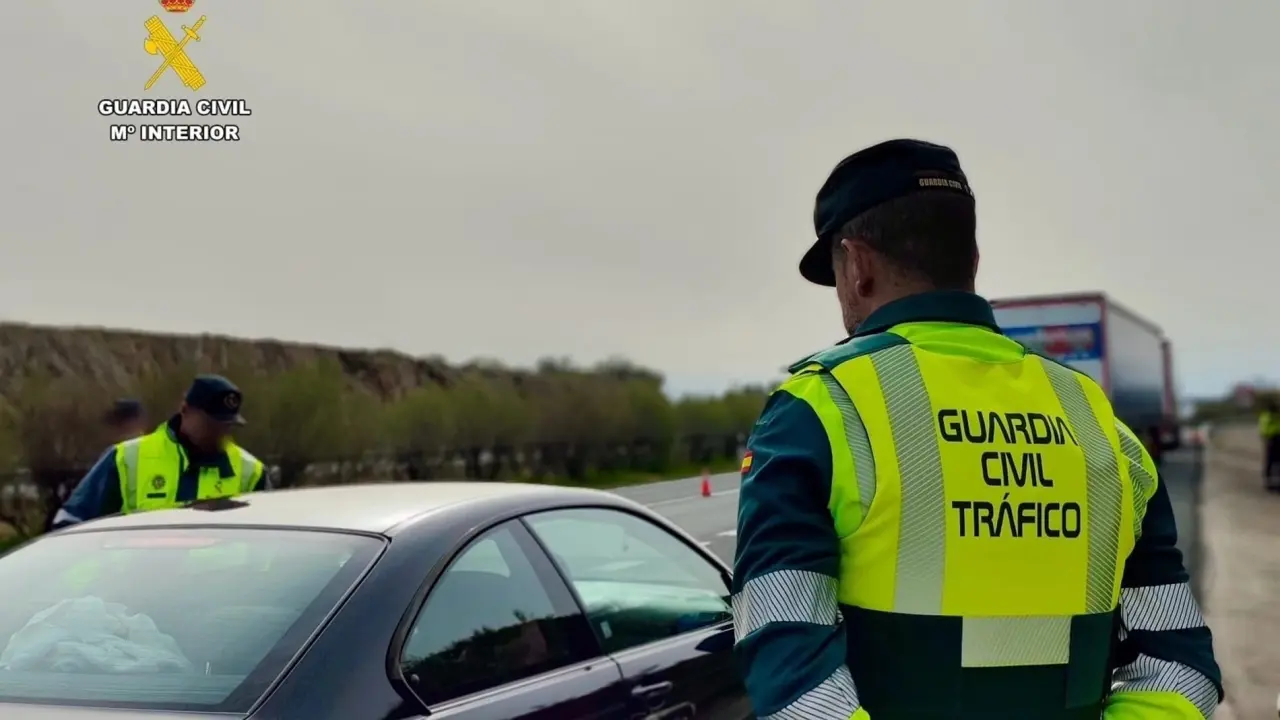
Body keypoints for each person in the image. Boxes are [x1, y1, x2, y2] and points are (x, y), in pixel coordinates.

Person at [731, 139, 1221, 720]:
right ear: (974, 260)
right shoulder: (1096, 421)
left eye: (835, 275)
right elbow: (1182, 670)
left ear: (857, 266)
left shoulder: (818, 409)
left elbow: (793, 683)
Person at [51, 375, 268, 528]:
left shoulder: (251, 472)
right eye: (210, 424)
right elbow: (71, 524)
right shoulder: (127, 459)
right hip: (137, 580)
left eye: (226, 426)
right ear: (185, 410)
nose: (219, 433)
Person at [1258, 398, 1280, 490]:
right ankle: (1269, 480)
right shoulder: (1268, 416)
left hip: (1272, 439)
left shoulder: (1265, 416)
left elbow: (1262, 429)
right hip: (1273, 439)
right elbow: (1263, 429)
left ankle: (1269, 480)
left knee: (1272, 461)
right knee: (1272, 461)